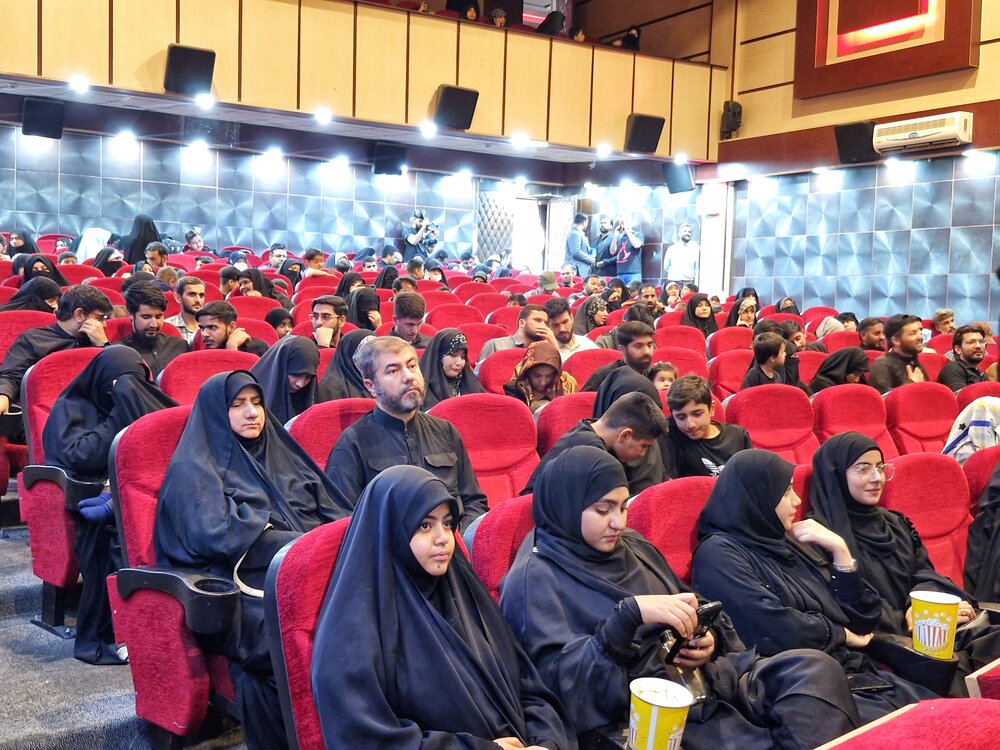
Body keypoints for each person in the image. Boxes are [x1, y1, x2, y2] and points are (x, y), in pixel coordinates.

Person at [501, 446, 859, 750]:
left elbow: (690, 602)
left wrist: (706, 639)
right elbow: (558, 690)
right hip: (636, 709)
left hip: (702, 679)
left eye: (622, 507)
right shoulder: (534, 578)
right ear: (566, 506)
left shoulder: (632, 544)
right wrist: (625, 619)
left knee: (814, 669)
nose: (618, 523)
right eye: (602, 509)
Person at [312, 465, 575, 750]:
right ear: (390, 530)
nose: (443, 538)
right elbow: (367, 739)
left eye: (448, 523)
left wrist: (545, 741)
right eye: (425, 525)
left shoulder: (464, 591)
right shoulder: (351, 633)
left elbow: (529, 687)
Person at [155, 371, 349, 750]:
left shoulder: (281, 453)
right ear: (217, 412)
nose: (252, 413)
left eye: (257, 403)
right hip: (232, 590)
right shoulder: (193, 469)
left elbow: (335, 512)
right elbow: (213, 537)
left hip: (309, 572)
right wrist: (305, 548)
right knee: (291, 636)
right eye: (238, 405)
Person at [691, 449, 936, 723]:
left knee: (940, 710)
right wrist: (839, 633)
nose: (797, 501)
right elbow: (768, 626)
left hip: (854, 672)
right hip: (799, 690)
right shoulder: (718, 554)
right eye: (786, 492)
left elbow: (865, 615)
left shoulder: (787, 538)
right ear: (758, 497)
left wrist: (841, 553)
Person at [809, 433, 1000, 695]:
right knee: (956, 669)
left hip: (928, 629)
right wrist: (917, 619)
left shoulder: (894, 523)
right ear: (836, 475)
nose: (876, 478)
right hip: (882, 644)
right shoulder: (821, 538)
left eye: (880, 467)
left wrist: (921, 608)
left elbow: (924, 573)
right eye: (863, 469)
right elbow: (846, 607)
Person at [44, 347, 177, 665]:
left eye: (134, 385)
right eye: (119, 386)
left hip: (142, 496)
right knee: (106, 535)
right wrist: (120, 413)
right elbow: (82, 455)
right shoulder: (69, 409)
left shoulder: (143, 397)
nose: (129, 392)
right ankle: (114, 632)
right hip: (86, 500)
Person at [325, 337, 488, 530]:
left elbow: (474, 502)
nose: (409, 377)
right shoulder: (352, 443)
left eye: (412, 366)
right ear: (371, 386)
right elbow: (342, 520)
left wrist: (456, 538)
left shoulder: (446, 431)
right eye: (393, 371)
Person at [663, 375, 752, 478]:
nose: (690, 425)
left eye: (697, 414)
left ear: (712, 409)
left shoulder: (738, 435)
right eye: (681, 417)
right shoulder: (670, 439)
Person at [115, 282, 187, 378]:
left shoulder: (180, 345)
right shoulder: (120, 353)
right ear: (131, 314)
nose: (154, 324)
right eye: (146, 317)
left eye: (158, 317)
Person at [250, 335, 320, 425]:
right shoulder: (251, 396)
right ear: (281, 367)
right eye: (295, 375)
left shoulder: (309, 396)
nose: (300, 384)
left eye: (308, 377)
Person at [418, 328, 485, 410]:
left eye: (463, 357)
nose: (459, 363)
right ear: (438, 356)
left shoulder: (470, 386)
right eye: (453, 355)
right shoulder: (420, 390)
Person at [504, 341, 577, 414]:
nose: (543, 382)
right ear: (527, 372)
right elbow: (515, 417)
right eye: (537, 376)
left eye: (549, 376)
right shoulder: (514, 389)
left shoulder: (566, 383)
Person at [581, 321, 655, 391]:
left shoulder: (654, 374)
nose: (646, 351)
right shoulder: (602, 377)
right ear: (622, 349)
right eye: (638, 346)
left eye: (649, 345)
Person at [476, 304, 553, 367]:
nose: (543, 326)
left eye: (546, 323)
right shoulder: (496, 345)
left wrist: (553, 343)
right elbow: (480, 376)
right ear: (522, 323)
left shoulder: (544, 350)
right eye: (538, 320)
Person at [868, 314, 927, 394]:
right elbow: (883, 398)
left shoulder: (913, 360)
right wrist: (911, 384)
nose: (920, 337)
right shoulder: (882, 364)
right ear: (896, 340)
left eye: (920, 332)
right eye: (913, 333)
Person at [317, 328, 375, 401]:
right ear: (349, 354)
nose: (371, 358)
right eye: (365, 353)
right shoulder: (330, 389)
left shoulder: (378, 380)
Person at [194, 301, 270, 356]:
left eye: (212, 327)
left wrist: (231, 349)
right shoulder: (203, 355)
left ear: (231, 327)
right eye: (202, 328)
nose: (204, 334)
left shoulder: (257, 349)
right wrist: (231, 349)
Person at [938, 324, 987, 391]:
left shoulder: (981, 374)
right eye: (971, 342)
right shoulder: (953, 368)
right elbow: (961, 396)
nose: (978, 346)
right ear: (958, 349)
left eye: (981, 341)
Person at [165, 276, 205, 344]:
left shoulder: (211, 327)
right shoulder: (166, 327)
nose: (198, 300)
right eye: (192, 294)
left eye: (201, 295)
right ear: (178, 297)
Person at [609, 215, 643, 285]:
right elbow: (612, 252)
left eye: (627, 222)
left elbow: (637, 245)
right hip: (620, 273)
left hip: (633, 273)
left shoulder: (637, 234)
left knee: (633, 291)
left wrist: (628, 231)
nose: (624, 224)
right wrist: (615, 237)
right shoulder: (619, 237)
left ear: (631, 223)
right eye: (622, 223)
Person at [564, 213, 592, 278]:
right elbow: (575, 252)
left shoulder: (579, 233)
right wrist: (591, 260)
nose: (587, 225)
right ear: (584, 221)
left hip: (581, 270)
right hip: (576, 270)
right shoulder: (574, 233)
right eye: (587, 222)